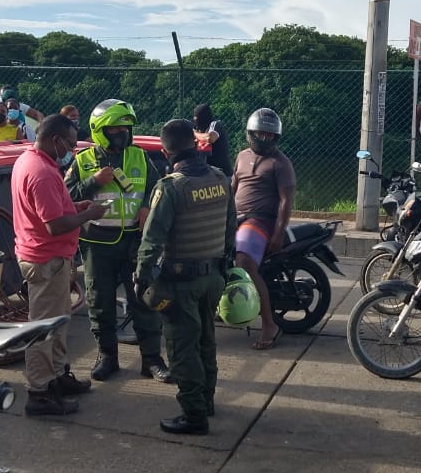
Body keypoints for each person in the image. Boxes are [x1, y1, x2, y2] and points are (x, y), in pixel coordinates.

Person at [136, 119, 235, 435]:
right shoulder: (220, 178)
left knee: (182, 348)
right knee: (207, 339)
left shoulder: (170, 187)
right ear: (194, 145)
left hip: (180, 283)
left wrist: (141, 278)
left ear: (165, 151)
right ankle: (206, 401)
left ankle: (194, 417)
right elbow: (230, 228)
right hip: (213, 277)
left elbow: (151, 241)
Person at [66, 99, 171, 382]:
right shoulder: (82, 161)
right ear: (100, 129)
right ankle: (107, 356)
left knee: (144, 300)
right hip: (97, 245)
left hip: (134, 243)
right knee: (100, 303)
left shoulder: (139, 157)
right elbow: (65, 197)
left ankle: (151, 359)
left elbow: (159, 187)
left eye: (126, 128)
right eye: (115, 128)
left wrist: (149, 204)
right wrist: (94, 181)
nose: (122, 133)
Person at [12, 115, 106, 417]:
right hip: (45, 258)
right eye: (69, 143)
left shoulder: (34, 162)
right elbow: (54, 225)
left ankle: (57, 376)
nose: (72, 149)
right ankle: (39, 391)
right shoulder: (41, 171)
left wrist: (74, 208)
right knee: (42, 328)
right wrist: (88, 215)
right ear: (55, 140)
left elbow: (53, 209)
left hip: (50, 256)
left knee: (57, 322)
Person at [232, 107, 295, 351]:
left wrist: (279, 232)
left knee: (244, 263)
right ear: (251, 133)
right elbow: (231, 188)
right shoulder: (241, 156)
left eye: (270, 135)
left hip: (259, 221)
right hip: (235, 218)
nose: (265, 139)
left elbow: (286, 201)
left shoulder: (281, 163)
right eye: (261, 134)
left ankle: (269, 324)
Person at [192, 102, 231, 174]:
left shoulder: (215, 124)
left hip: (222, 174)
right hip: (205, 174)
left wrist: (194, 134)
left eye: (198, 118)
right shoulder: (198, 130)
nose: (196, 121)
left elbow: (210, 138)